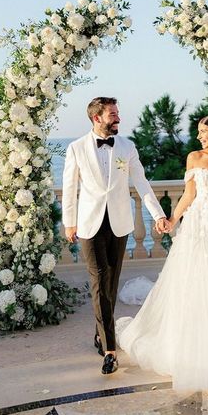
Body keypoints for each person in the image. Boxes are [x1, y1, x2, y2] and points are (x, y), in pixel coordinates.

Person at [116, 115, 208, 391]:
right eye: (198, 132)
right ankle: (189, 346)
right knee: (195, 283)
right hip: (198, 227)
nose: (199, 136)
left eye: (203, 131)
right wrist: (173, 220)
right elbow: (189, 195)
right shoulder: (194, 158)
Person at [62, 97, 169, 375]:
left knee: (111, 283)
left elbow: (142, 183)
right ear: (97, 118)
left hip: (119, 223)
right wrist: (69, 222)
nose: (118, 118)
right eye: (113, 114)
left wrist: (158, 214)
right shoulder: (76, 148)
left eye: (117, 113)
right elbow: (69, 187)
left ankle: (100, 332)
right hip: (89, 225)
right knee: (99, 280)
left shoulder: (127, 147)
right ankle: (110, 350)